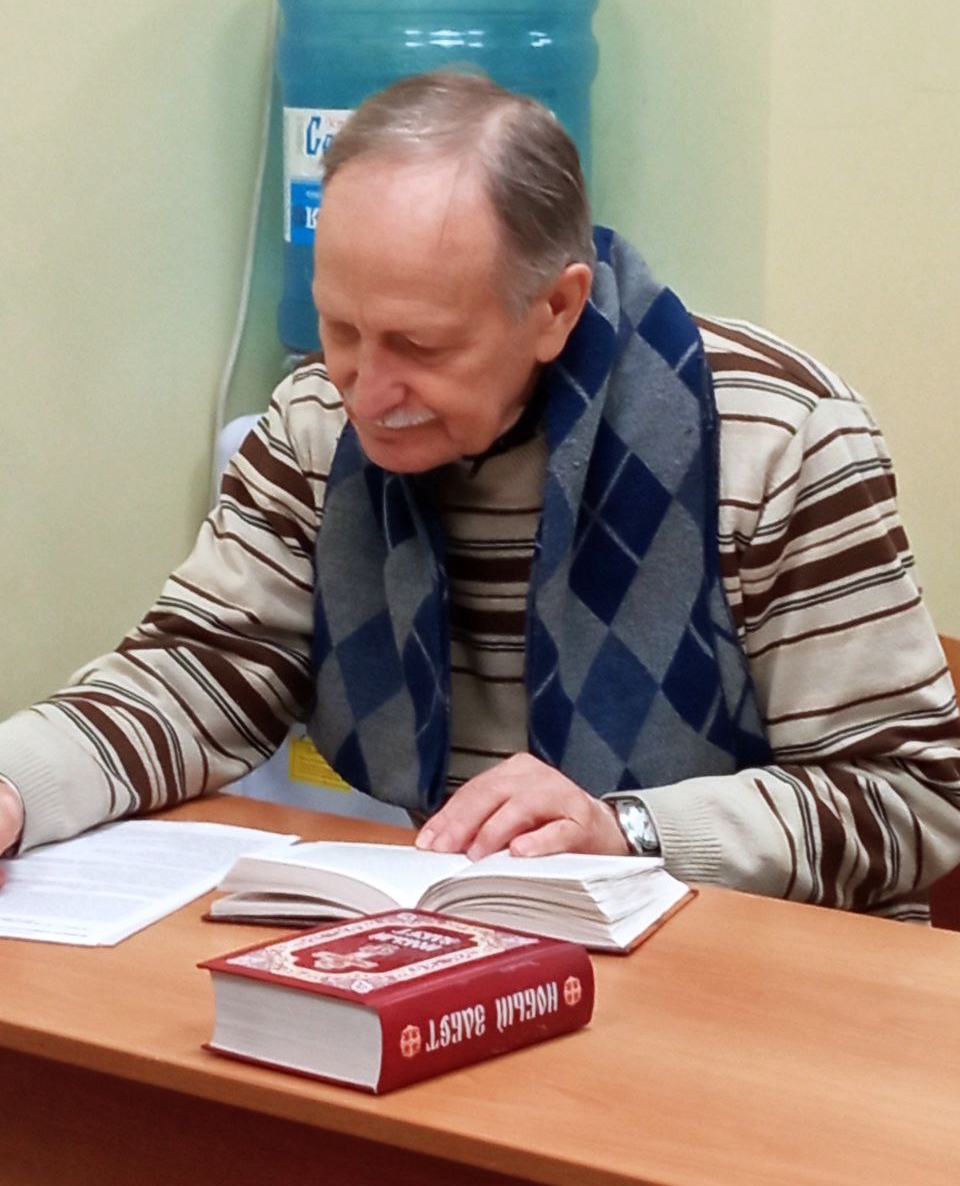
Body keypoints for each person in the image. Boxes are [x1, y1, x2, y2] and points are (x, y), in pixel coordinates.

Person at [1, 71, 958, 919]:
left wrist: (628, 831)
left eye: (419, 345)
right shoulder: (316, 424)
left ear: (555, 308)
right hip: (477, 938)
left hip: (759, 971)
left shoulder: (773, 434)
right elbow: (194, 677)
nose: (366, 391)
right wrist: (14, 787)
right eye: (340, 330)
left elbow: (913, 797)